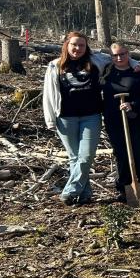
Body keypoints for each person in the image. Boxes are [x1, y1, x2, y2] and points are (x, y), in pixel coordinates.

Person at [43, 31, 112, 205]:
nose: (78, 48)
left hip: (91, 115)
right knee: (75, 157)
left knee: (86, 156)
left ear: (86, 47)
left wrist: (134, 63)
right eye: (74, 44)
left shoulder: (96, 61)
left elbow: (119, 57)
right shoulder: (55, 66)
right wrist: (50, 119)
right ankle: (85, 194)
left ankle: (70, 191)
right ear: (67, 45)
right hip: (66, 118)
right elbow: (49, 95)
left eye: (82, 45)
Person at [101, 42, 140, 202]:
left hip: (136, 119)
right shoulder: (106, 71)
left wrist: (133, 104)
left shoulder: (139, 73)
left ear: (128, 53)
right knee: (121, 154)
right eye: (115, 55)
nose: (119, 58)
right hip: (114, 120)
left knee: (139, 152)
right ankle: (124, 189)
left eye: (122, 54)